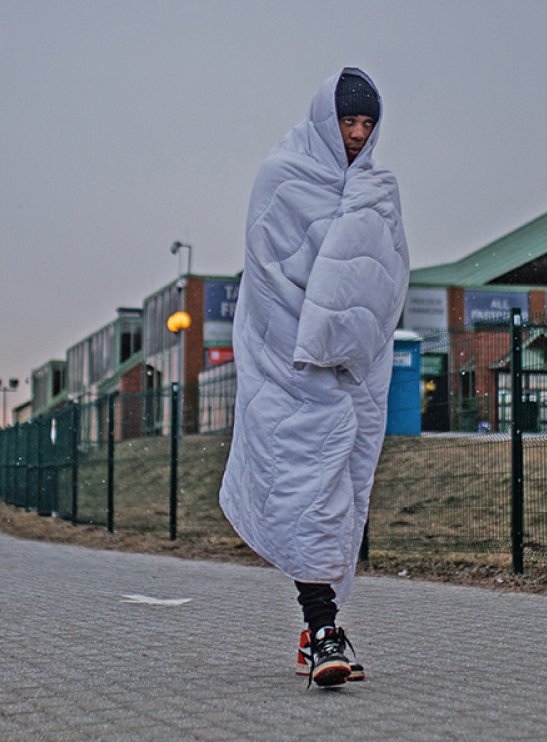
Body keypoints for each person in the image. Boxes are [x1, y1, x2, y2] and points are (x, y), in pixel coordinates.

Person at [219, 68, 409, 688]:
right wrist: (310, 344)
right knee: (307, 484)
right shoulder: (283, 176)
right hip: (292, 362)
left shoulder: (379, 185)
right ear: (326, 119)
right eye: (348, 121)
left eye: (367, 124)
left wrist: (354, 341)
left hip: (354, 367)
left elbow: (389, 276)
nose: (357, 134)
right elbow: (267, 271)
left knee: (341, 491)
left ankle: (319, 632)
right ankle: (323, 629)